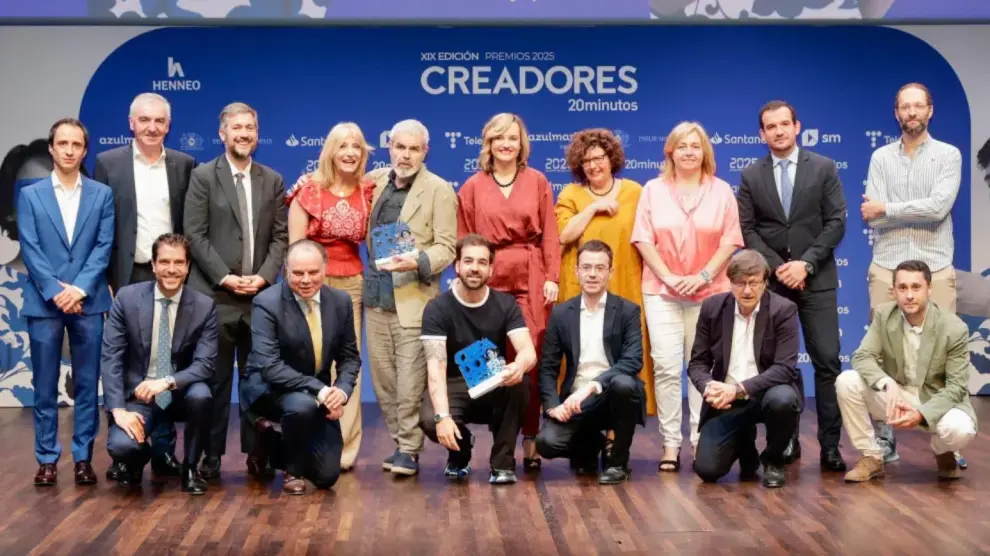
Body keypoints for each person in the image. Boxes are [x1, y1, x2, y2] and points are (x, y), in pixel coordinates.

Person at [736, 100, 848, 473]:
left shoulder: (824, 167)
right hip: (775, 283)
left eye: (785, 124)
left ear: (797, 127)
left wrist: (806, 264)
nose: (779, 131)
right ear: (762, 134)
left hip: (817, 279)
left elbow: (836, 222)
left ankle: (830, 447)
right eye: (771, 126)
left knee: (827, 362)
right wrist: (779, 267)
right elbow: (748, 229)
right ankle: (786, 442)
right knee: (779, 365)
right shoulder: (751, 175)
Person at [94, 92, 196, 481]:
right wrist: (108, 280)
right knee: (124, 360)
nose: (152, 127)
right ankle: (125, 449)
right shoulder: (108, 163)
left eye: (159, 121)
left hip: (170, 275)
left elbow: (189, 226)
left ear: (169, 125)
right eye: (144, 120)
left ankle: (165, 450)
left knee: (166, 361)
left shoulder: (184, 164)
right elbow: (101, 226)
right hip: (128, 276)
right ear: (131, 123)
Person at [183, 102, 288, 480]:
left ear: (257, 134)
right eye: (237, 128)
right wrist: (225, 277)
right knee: (214, 382)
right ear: (222, 133)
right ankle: (210, 457)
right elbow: (194, 234)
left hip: (260, 300)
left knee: (258, 383)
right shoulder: (203, 176)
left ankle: (257, 454)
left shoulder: (272, 179)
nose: (244, 134)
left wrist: (264, 277)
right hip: (216, 298)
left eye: (250, 128)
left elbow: (280, 237)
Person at [631, 121, 743, 472]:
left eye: (695, 146)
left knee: (702, 370)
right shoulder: (653, 189)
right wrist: (668, 276)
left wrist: (703, 276)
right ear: (671, 152)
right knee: (665, 367)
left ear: (705, 151)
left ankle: (698, 439)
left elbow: (731, 240)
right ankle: (670, 443)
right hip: (661, 291)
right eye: (682, 146)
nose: (689, 152)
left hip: (710, 292)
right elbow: (643, 238)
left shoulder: (721, 191)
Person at [862, 83, 964, 464]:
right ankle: (885, 437)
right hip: (887, 264)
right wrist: (893, 211)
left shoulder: (948, 155)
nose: (912, 113)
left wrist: (889, 208)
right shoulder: (880, 157)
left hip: (934, 264)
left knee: (944, 355)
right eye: (905, 107)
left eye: (918, 106)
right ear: (896, 113)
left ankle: (947, 444)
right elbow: (871, 215)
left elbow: (938, 208)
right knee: (883, 354)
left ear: (930, 110)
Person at [457, 112, 560, 471]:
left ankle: (530, 436)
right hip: (488, 273)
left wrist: (552, 276)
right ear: (488, 143)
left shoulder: (538, 181)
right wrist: (465, 276)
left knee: (528, 356)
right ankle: (494, 440)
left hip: (530, 272)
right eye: (498, 138)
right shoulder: (472, 186)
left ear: (522, 144)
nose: (506, 144)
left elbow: (550, 234)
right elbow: (463, 238)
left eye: (512, 138)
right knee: (487, 357)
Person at [17, 118, 113, 486]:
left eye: (77, 144)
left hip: (88, 302)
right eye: (63, 143)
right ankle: (46, 459)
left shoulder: (101, 194)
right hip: (45, 303)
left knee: (88, 384)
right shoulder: (31, 195)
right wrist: (57, 290)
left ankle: (83, 458)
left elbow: (103, 246)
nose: (70, 150)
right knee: (44, 385)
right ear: (51, 148)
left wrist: (80, 289)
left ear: (85, 150)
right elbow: (30, 247)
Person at [364, 119, 457, 476]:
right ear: (389, 148)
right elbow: (333, 185)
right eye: (400, 147)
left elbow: (447, 247)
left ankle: (409, 449)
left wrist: (417, 260)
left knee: (409, 384)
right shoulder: (374, 181)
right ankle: (399, 442)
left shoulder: (439, 190)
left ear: (425, 152)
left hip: (413, 297)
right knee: (384, 383)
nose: (405, 155)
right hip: (376, 297)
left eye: (413, 149)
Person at [555, 129, 653, 450]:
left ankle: (615, 436)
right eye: (586, 161)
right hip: (582, 290)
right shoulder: (571, 194)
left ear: (612, 159)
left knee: (620, 358)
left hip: (626, 286)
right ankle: (585, 428)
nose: (594, 165)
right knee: (584, 358)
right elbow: (564, 235)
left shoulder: (635, 192)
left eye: (599, 158)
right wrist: (594, 208)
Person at [287, 122, 375, 472]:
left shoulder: (369, 191)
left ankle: (345, 448)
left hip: (352, 284)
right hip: (311, 285)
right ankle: (306, 443)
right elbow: (295, 249)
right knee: (309, 361)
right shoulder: (309, 190)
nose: (350, 152)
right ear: (330, 152)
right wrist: (302, 286)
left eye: (356, 146)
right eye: (342, 146)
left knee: (348, 364)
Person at [838, 260, 977, 482]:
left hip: (935, 399)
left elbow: (956, 388)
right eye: (902, 288)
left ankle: (943, 450)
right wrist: (886, 382)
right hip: (898, 396)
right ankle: (872, 457)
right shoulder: (884, 315)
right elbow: (862, 356)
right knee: (847, 381)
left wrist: (922, 414)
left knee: (961, 429)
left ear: (929, 289)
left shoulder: (954, 327)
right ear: (894, 291)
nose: (909, 295)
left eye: (916, 287)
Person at [243, 239, 362, 494]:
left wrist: (340, 392)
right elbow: (270, 366)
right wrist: (321, 390)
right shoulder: (266, 302)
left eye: (313, 272)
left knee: (327, 476)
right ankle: (292, 470)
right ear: (286, 270)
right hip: (271, 388)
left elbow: (350, 357)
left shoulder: (340, 301)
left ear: (325, 268)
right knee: (302, 405)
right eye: (298, 273)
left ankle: (268, 441)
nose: (306, 280)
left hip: (316, 391)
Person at [101, 234, 217, 494]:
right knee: (122, 447)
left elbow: (205, 364)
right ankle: (138, 458)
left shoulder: (204, 306)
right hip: (140, 394)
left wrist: (166, 382)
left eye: (179, 262)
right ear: (153, 265)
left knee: (202, 395)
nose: (171, 269)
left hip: (180, 391)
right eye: (164, 262)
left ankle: (190, 469)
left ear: (188, 267)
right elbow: (111, 358)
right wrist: (118, 410)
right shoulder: (127, 299)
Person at [418, 234, 536, 484]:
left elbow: (528, 351)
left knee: (521, 382)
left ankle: (502, 464)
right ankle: (461, 451)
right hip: (453, 384)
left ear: (491, 269)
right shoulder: (437, 308)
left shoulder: (506, 304)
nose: (475, 268)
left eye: (482, 262)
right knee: (430, 418)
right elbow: (435, 368)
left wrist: (518, 365)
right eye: (468, 261)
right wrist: (442, 417)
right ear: (457, 266)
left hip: (492, 382)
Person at [688, 250, 802, 488]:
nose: (747, 291)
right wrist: (708, 388)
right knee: (707, 470)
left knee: (783, 399)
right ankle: (745, 444)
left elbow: (784, 368)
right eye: (740, 283)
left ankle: (773, 460)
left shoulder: (783, 309)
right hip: (726, 398)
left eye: (754, 283)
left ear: (765, 282)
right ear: (730, 282)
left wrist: (739, 389)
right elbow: (698, 363)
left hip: (766, 392)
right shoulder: (712, 308)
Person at [536, 240, 644, 485]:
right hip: (576, 402)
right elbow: (548, 367)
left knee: (625, 384)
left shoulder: (628, 311)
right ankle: (593, 444)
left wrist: (593, 385)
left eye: (600, 268)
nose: (592, 274)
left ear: (610, 272)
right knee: (546, 443)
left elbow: (632, 360)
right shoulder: (561, 313)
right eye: (586, 267)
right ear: (576, 271)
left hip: (611, 395)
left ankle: (617, 463)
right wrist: (552, 406)